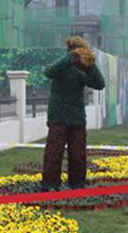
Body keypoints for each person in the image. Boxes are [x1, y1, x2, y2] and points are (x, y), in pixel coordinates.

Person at [41, 36, 106, 190]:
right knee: (54, 152)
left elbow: (100, 83)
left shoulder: (83, 67)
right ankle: (50, 184)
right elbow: (48, 72)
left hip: (77, 117)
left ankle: (77, 183)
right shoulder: (62, 65)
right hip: (58, 116)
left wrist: (90, 66)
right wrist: (68, 59)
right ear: (70, 50)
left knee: (78, 153)